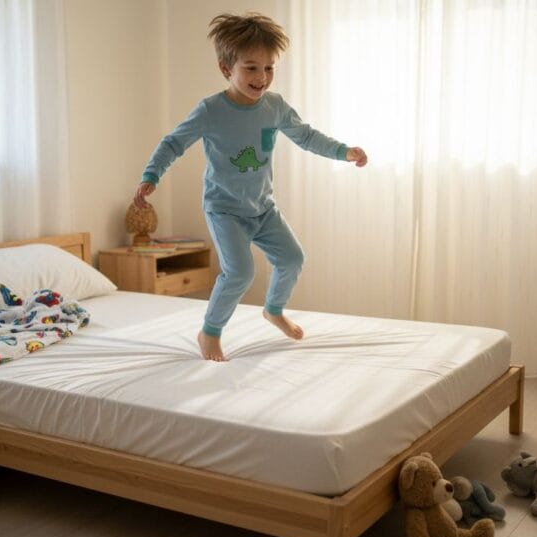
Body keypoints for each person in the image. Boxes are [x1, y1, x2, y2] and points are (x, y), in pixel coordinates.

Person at [134, 12, 368, 362]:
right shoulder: (211, 110)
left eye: (269, 68)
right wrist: (151, 176)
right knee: (240, 272)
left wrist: (342, 151)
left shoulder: (273, 107)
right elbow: (173, 143)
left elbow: (304, 135)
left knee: (292, 259)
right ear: (226, 69)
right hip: (224, 209)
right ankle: (209, 332)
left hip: (262, 208)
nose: (262, 78)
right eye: (251, 68)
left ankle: (273, 310)